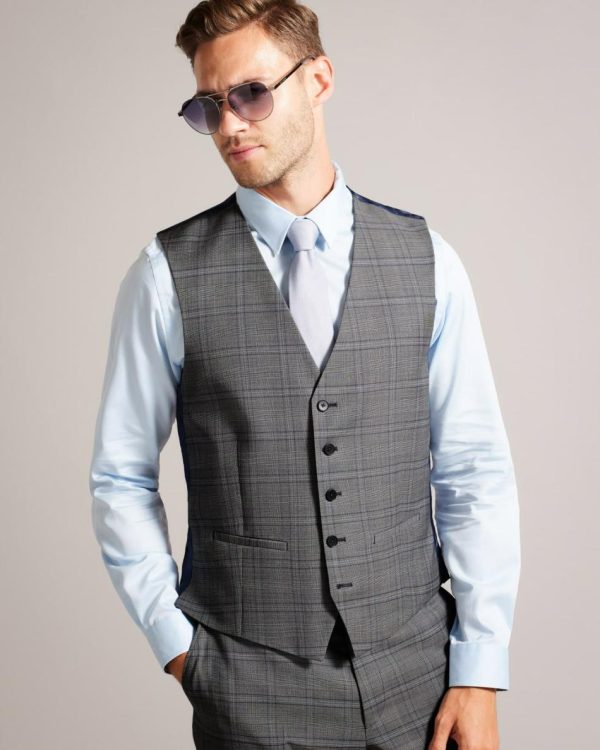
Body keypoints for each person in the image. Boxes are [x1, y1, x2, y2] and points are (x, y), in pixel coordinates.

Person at [88, 1, 521, 748]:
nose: (229, 126)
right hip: (246, 690)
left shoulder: (429, 262)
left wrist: (479, 668)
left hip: (421, 679)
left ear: (318, 79)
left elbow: (473, 469)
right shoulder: (165, 275)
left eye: (251, 94)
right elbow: (120, 477)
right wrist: (181, 650)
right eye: (208, 106)